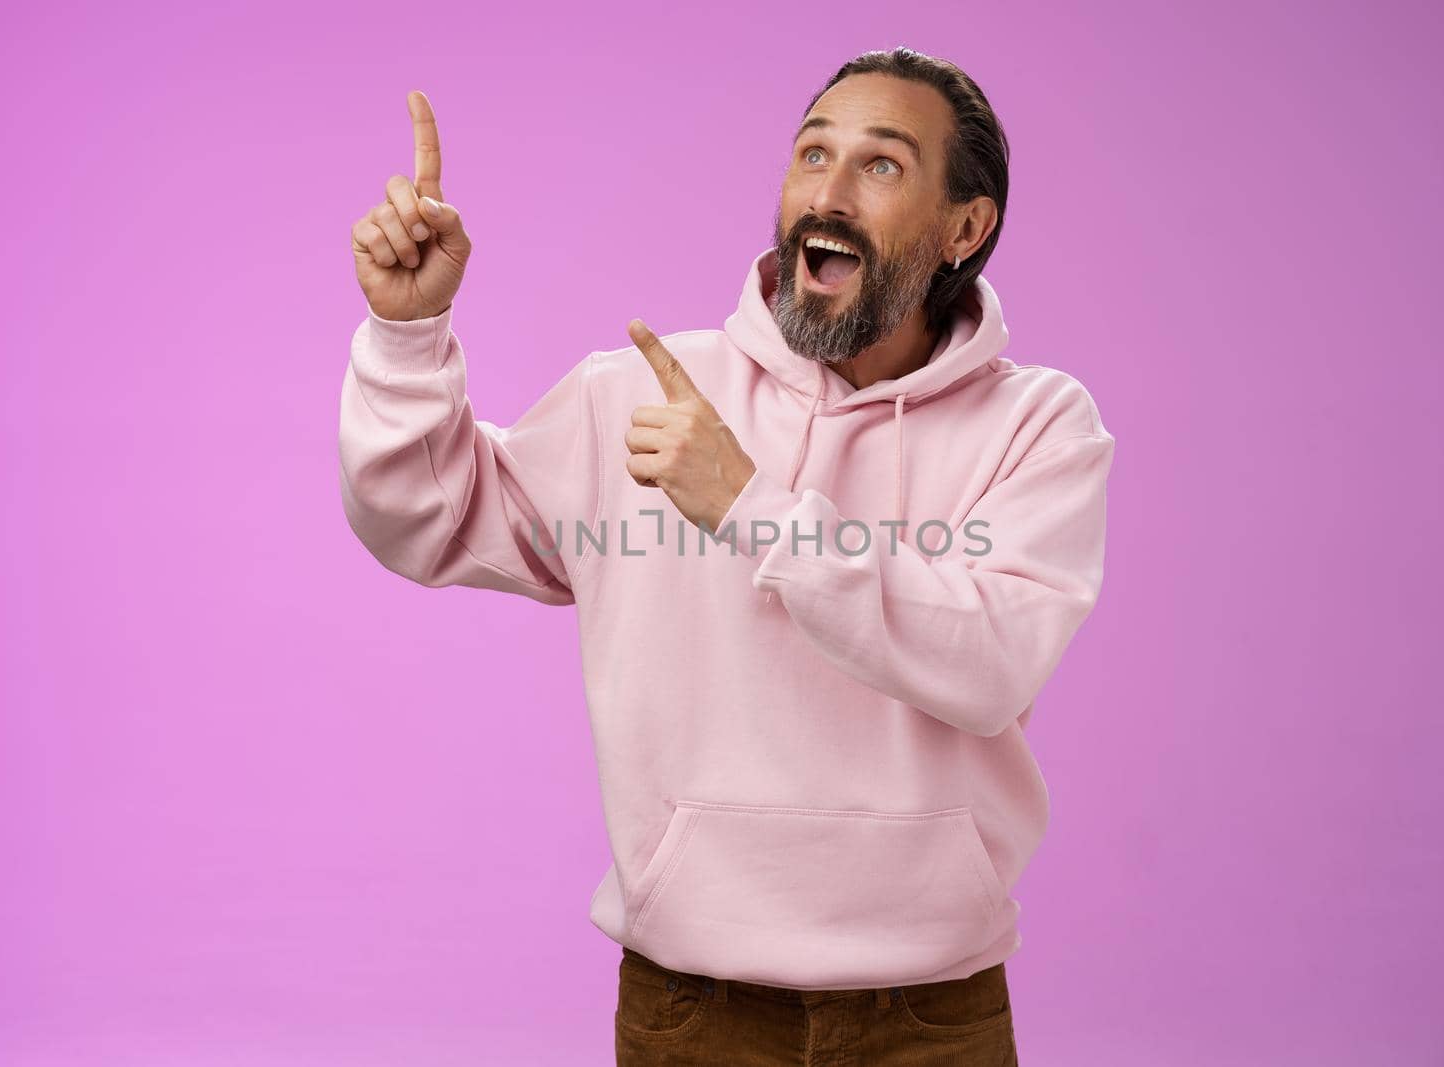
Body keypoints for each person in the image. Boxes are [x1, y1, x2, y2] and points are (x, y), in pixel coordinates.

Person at [341, 46, 1113, 1066]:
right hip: (691, 1009)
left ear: (964, 228)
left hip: (930, 1017)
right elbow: (427, 518)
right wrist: (407, 335)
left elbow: (990, 663)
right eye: (810, 154)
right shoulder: (645, 393)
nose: (826, 194)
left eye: (880, 165)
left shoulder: (1038, 425)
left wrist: (751, 508)